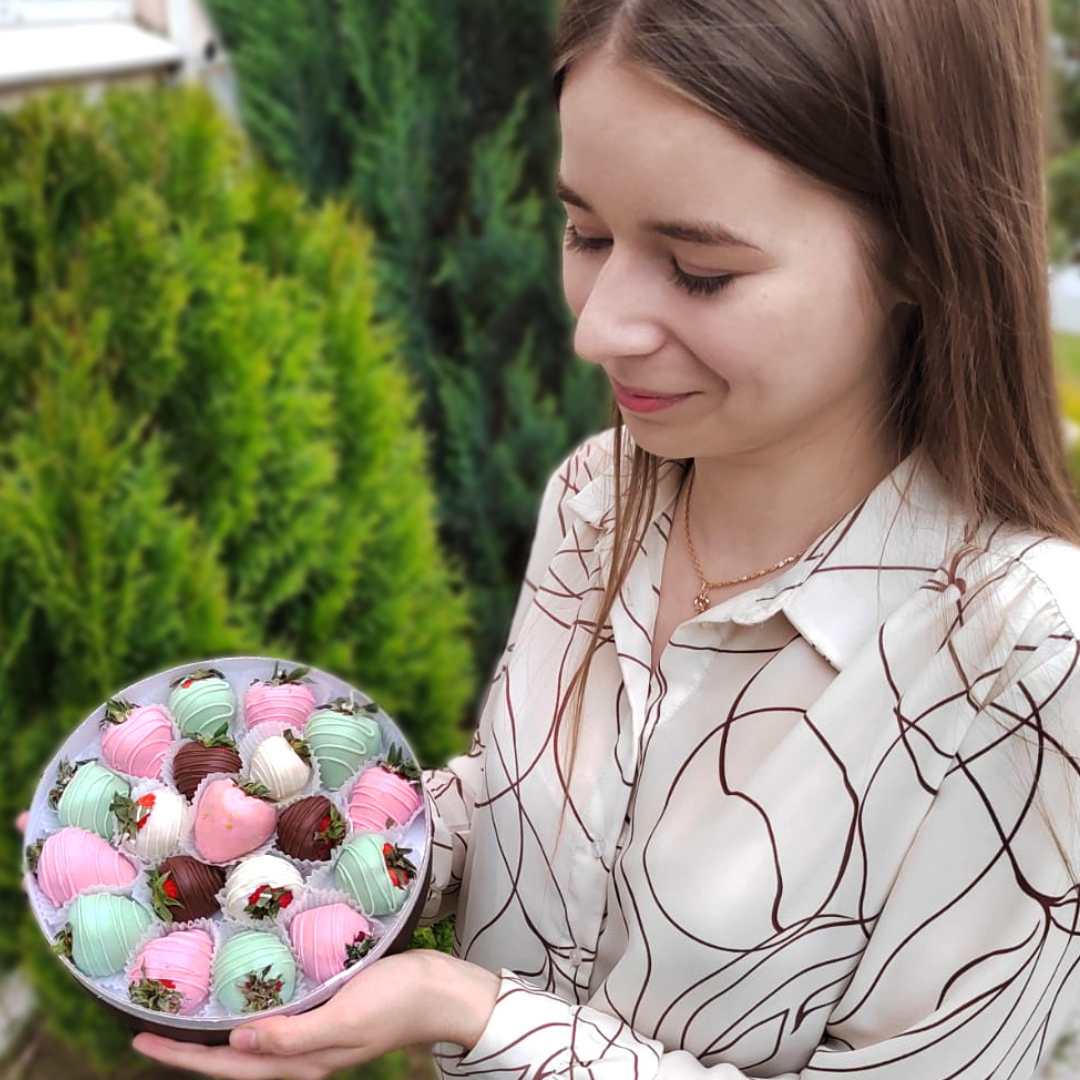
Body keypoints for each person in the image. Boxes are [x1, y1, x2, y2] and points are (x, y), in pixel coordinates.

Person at [104, 0, 1080, 1077]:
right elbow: (541, 818)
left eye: (700, 268)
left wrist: (474, 1012)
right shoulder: (600, 495)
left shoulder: (1022, 663)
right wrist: (286, 851)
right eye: (587, 233)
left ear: (921, 249)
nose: (596, 327)